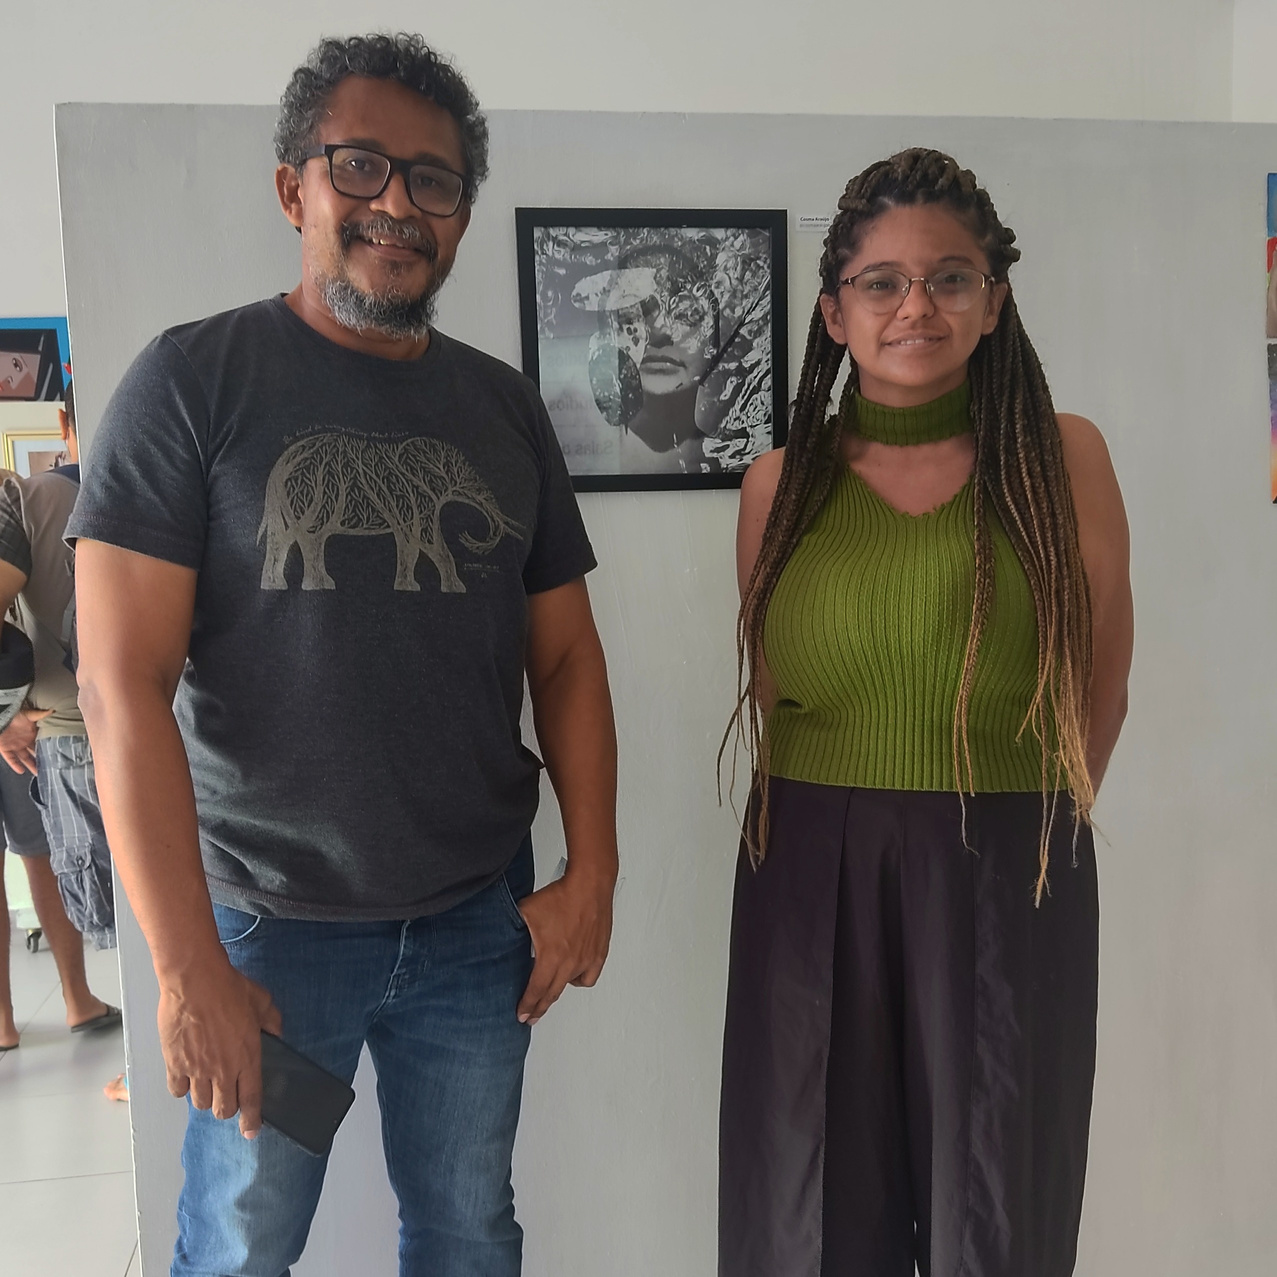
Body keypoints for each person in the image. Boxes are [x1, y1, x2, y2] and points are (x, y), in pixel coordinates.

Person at [69, 32, 617, 1277]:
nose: (397, 204)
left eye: (433, 180)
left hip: (475, 925)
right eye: (360, 166)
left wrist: (591, 870)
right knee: (245, 1241)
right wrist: (185, 967)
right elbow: (118, 687)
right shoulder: (192, 382)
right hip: (269, 933)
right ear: (293, 187)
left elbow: (566, 658)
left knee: (468, 1226)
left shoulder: (501, 408)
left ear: (461, 214)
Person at [718, 149, 1133, 1277]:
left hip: (1008, 861)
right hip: (807, 870)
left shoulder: (1062, 459)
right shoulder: (778, 485)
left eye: (950, 278)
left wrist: (1013, 825)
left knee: (994, 1217)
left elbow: (1101, 680)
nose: (916, 306)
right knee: (804, 1213)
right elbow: (774, 689)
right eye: (881, 282)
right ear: (833, 311)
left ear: (993, 301)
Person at [0, 384, 120, 1052]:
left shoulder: (28, 498)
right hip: (164, 725)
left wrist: (2, 720)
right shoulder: (164, 484)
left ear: (63, 421)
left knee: (110, 900)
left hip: (73, 735)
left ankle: (141, 1067)